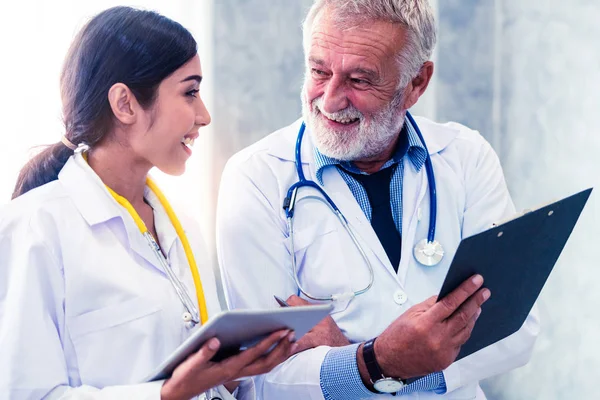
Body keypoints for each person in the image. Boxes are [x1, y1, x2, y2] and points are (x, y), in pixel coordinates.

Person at [216, 0, 540, 399]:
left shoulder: (467, 157)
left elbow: (516, 330)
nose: (330, 99)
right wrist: (383, 359)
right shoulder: (257, 177)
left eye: (360, 79)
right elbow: (262, 379)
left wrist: (372, 366)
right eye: (319, 71)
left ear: (416, 84)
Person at [0, 7, 296, 400]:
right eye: (190, 92)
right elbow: (26, 395)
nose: (204, 115)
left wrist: (229, 376)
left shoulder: (183, 226)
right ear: (125, 104)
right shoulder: (35, 229)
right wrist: (166, 395)